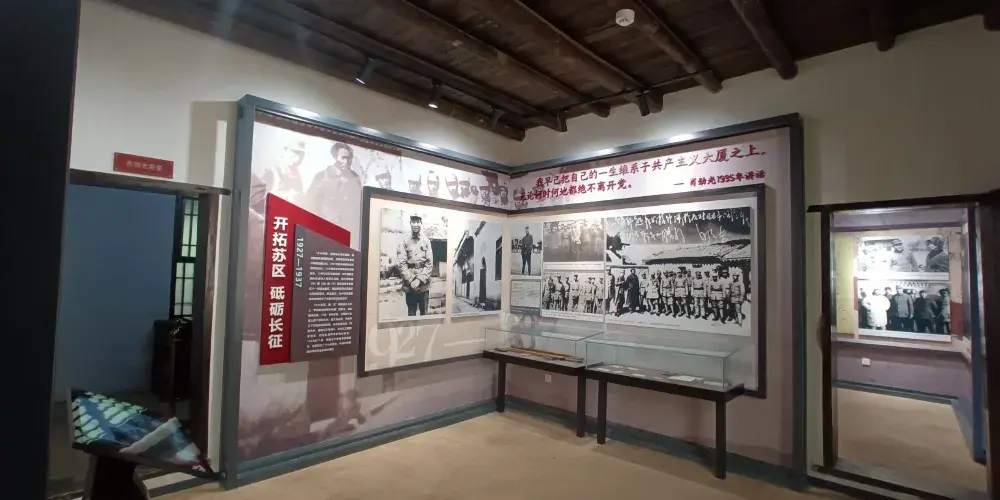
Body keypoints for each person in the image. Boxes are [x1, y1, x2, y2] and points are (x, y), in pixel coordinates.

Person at [303, 142, 363, 235]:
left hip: (348, 229)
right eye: (343, 157)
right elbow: (310, 202)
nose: (346, 162)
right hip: (326, 227)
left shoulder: (355, 178)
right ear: (335, 157)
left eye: (349, 158)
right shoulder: (322, 176)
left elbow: (359, 204)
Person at [396, 215, 434, 316]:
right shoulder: (405, 241)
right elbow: (402, 263)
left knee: (424, 314)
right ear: (410, 223)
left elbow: (429, 264)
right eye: (413, 222)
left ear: (421, 223)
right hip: (410, 285)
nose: (416, 224)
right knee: (411, 314)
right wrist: (411, 280)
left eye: (418, 222)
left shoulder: (426, 241)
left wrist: (419, 280)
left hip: (423, 284)